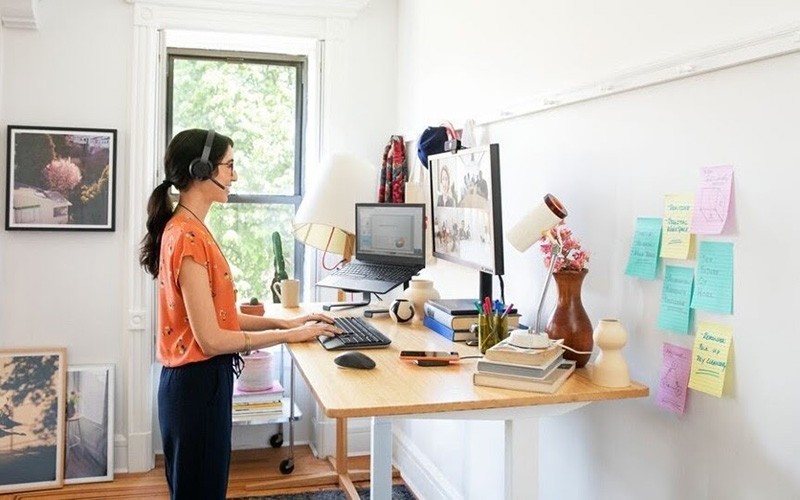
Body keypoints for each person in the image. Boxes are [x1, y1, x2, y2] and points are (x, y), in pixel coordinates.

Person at [138, 129, 341, 500]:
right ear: (201, 170)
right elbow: (212, 339)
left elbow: (220, 316)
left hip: (195, 385)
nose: (235, 175)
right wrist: (287, 338)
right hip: (197, 387)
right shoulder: (188, 237)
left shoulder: (187, 229)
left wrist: (286, 322)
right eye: (229, 165)